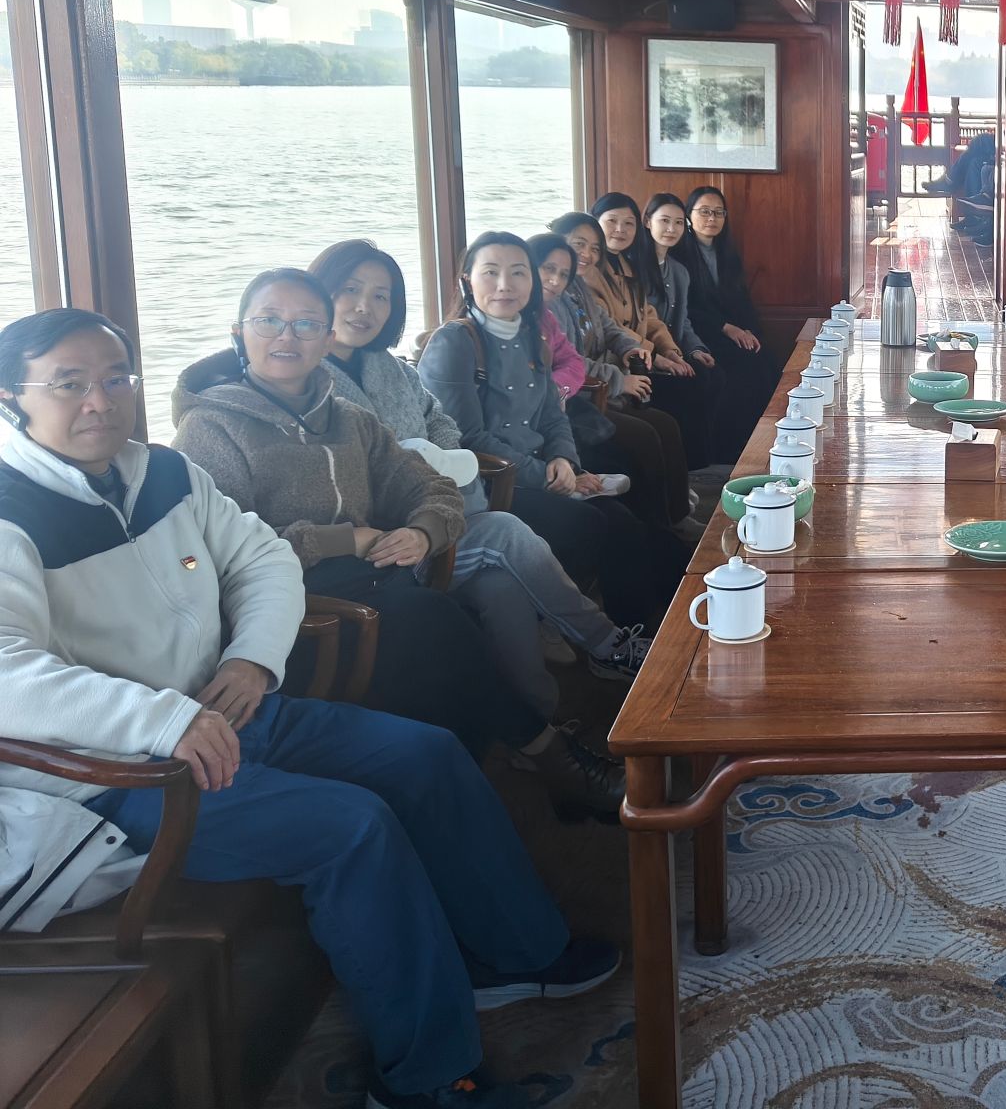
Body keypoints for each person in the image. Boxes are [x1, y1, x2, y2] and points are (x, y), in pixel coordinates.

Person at [0, 306, 619, 1109]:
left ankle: (515, 953)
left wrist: (252, 657)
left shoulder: (161, 473)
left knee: (426, 754)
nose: (100, 401)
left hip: (231, 709)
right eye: (69, 384)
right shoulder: (11, 510)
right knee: (351, 827)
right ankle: (427, 1077)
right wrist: (165, 721)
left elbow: (260, 557)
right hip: (119, 773)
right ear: (12, 397)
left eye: (117, 379)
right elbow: (9, 673)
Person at [170, 269, 623, 820]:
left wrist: (424, 529)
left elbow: (430, 485)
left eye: (306, 324)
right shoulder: (211, 429)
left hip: (377, 580)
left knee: (488, 594)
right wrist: (345, 539)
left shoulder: (350, 419)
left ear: (325, 335)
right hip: (289, 613)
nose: (287, 336)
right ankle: (551, 759)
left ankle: (521, 773)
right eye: (269, 321)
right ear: (238, 332)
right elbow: (224, 553)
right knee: (430, 622)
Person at [308, 240, 648, 688]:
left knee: (503, 591)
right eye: (350, 290)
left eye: (380, 295)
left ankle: (539, 721)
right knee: (512, 530)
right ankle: (608, 644)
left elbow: (442, 423)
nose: (363, 307)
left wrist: (559, 459)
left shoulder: (391, 368)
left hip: (440, 515)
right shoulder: (307, 382)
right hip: (384, 540)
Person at [419, 233, 688, 630]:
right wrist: (550, 477)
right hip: (492, 486)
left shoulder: (531, 336)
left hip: (542, 469)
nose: (505, 285)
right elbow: (467, 438)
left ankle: (658, 629)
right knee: (594, 525)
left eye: (517, 273)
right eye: (490, 272)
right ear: (466, 281)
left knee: (631, 525)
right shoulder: (454, 342)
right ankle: (584, 629)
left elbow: (552, 414)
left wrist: (565, 459)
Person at [537, 221, 694, 529]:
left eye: (595, 248)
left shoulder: (577, 286)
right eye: (579, 244)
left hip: (599, 389)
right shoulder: (548, 301)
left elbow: (609, 327)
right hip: (584, 399)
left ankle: (677, 514)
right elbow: (569, 365)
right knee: (645, 437)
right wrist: (620, 380)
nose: (587, 254)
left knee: (666, 423)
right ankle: (658, 526)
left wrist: (630, 349)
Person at [581, 195, 724, 473]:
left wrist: (671, 350)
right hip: (616, 367)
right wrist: (656, 357)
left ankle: (692, 474)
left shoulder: (630, 268)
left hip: (638, 358)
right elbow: (612, 327)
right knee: (683, 393)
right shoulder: (589, 273)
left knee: (704, 377)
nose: (620, 230)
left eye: (628, 223)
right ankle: (690, 473)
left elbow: (650, 317)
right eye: (612, 221)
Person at [644, 190, 754, 462]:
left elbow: (683, 321)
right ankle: (702, 461)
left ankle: (728, 451)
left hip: (679, 347)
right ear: (647, 222)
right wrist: (665, 355)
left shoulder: (678, 271)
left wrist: (695, 349)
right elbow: (644, 324)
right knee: (707, 378)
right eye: (664, 221)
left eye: (677, 222)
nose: (671, 229)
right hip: (648, 355)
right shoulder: (638, 269)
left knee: (730, 370)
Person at [672, 184, 781, 426]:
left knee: (767, 361)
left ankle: (764, 435)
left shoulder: (727, 252)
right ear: (688, 215)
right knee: (742, 368)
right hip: (701, 334)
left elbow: (741, 300)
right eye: (704, 211)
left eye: (718, 212)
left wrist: (748, 329)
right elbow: (687, 309)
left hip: (731, 332)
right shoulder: (679, 256)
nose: (712, 218)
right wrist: (726, 327)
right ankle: (737, 441)